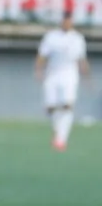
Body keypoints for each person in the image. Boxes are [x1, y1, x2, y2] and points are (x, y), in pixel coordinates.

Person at [36, 13, 90, 151]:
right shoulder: (51, 37)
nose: (66, 23)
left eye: (69, 21)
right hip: (52, 73)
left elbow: (82, 59)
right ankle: (57, 131)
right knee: (51, 106)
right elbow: (42, 55)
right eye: (65, 21)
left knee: (67, 105)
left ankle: (61, 138)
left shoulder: (77, 38)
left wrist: (87, 77)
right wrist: (39, 70)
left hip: (69, 74)